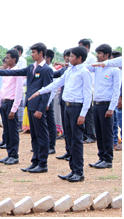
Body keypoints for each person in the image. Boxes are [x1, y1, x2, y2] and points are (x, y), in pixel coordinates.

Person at [0, 43, 53, 173]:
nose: (31, 54)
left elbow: (46, 91)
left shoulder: (46, 69)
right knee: (34, 136)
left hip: (38, 108)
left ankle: (43, 163)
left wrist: (41, 109)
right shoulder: (31, 67)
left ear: (40, 53)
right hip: (31, 106)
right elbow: (16, 71)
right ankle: (35, 161)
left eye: (33, 52)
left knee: (42, 136)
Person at [29, 46, 92, 182]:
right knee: (69, 139)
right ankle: (72, 170)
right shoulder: (70, 70)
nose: (69, 58)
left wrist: (83, 114)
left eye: (72, 56)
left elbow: (88, 95)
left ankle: (79, 172)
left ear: (80, 58)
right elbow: (57, 82)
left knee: (76, 140)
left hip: (77, 109)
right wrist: (40, 91)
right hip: (67, 107)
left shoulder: (84, 72)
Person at [84, 44, 121, 169]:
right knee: (99, 133)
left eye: (100, 54)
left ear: (107, 55)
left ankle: (108, 159)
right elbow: (86, 67)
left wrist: (111, 108)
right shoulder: (98, 67)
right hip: (97, 104)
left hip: (107, 105)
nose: (97, 56)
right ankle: (101, 157)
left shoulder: (115, 70)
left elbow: (116, 91)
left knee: (107, 133)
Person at [0, 50, 23, 165]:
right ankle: (9, 154)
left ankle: (14, 156)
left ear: (14, 59)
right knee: (6, 131)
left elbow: (19, 92)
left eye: (8, 58)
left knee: (12, 131)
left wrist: (14, 109)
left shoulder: (18, 72)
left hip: (11, 103)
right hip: (4, 103)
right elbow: (2, 89)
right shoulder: (7, 72)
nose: (6, 60)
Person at [53, 49, 72, 161]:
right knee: (66, 129)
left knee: (72, 130)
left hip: (73, 104)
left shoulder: (79, 71)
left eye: (70, 56)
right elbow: (53, 74)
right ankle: (68, 151)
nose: (67, 58)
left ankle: (72, 153)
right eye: (66, 56)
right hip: (63, 101)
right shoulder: (63, 70)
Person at [79, 39, 96, 143]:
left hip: (89, 89)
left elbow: (92, 74)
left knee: (89, 114)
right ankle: (85, 134)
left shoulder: (91, 58)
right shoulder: (82, 57)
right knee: (82, 113)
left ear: (87, 47)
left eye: (81, 46)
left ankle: (91, 135)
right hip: (81, 90)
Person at [0, 58, 9, 149]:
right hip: (2, 99)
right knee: (4, 122)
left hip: (9, 100)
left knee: (9, 124)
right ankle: (4, 140)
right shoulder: (2, 73)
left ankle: (8, 142)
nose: (4, 65)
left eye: (5, 63)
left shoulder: (12, 73)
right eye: (3, 63)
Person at [45, 49, 58, 155]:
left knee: (50, 123)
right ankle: (44, 145)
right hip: (41, 100)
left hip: (48, 100)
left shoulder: (52, 70)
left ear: (48, 58)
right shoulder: (41, 68)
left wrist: (48, 103)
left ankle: (51, 146)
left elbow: (53, 89)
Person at [13, 45, 27, 131]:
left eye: (15, 51)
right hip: (13, 87)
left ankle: (19, 125)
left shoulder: (22, 61)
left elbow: (22, 74)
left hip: (19, 85)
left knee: (19, 106)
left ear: (20, 52)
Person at [110, 51, 122, 151]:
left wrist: (121, 98)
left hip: (118, 99)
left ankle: (116, 142)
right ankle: (115, 142)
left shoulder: (118, 70)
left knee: (118, 123)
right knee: (115, 122)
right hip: (116, 99)